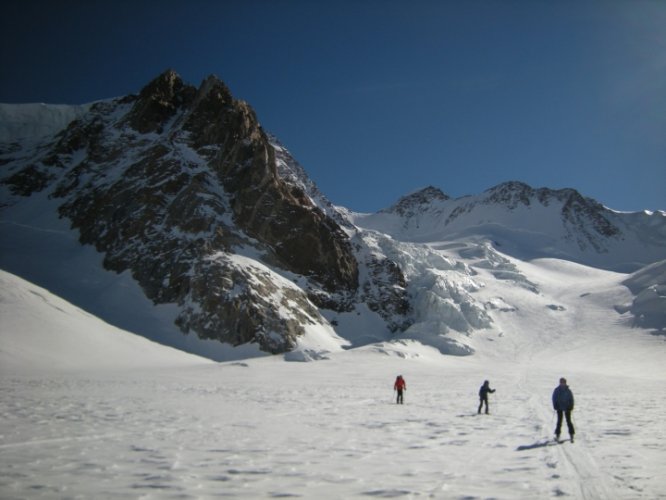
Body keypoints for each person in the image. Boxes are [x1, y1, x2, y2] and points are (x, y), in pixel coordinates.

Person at [552, 377, 575, 442]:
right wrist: (555, 405)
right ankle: (557, 435)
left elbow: (571, 399)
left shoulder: (568, 390)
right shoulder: (557, 390)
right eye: (561, 382)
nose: (562, 383)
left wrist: (571, 406)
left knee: (569, 421)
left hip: (567, 407)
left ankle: (571, 434)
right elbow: (554, 398)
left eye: (563, 382)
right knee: (559, 421)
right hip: (559, 407)